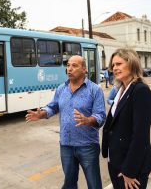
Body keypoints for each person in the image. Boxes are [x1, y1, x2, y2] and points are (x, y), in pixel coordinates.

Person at [25, 55, 106, 189]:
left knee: (94, 184)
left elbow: (101, 116)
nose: (69, 69)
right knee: (69, 184)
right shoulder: (61, 88)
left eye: (74, 66)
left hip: (87, 146)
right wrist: (42, 114)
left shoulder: (94, 90)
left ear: (84, 69)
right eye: (68, 65)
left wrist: (88, 120)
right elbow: (53, 107)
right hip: (66, 146)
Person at [102, 48, 151, 189]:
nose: (114, 68)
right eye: (113, 65)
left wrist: (129, 170)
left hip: (131, 166)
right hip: (116, 160)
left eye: (119, 64)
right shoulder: (121, 90)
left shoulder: (140, 91)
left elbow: (140, 135)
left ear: (132, 64)